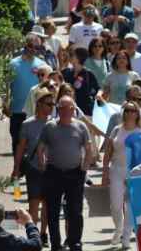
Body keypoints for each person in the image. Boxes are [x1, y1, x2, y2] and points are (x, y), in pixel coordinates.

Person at [37, 96, 95, 251]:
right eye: (61, 108)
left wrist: (84, 167)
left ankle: (75, 242)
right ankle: (56, 243)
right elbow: (41, 148)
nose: (64, 111)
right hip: (54, 172)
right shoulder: (50, 127)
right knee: (53, 210)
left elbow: (89, 148)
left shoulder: (81, 127)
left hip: (75, 173)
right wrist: (42, 163)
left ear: (73, 110)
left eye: (67, 108)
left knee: (75, 210)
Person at [11, 90, 54, 248]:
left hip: (51, 169)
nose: (51, 107)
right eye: (48, 104)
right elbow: (21, 148)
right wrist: (16, 168)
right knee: (34, 204)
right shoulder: (27, 124)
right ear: (39, 104)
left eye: (52, 104)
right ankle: (33, 235)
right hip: (33, 169)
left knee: (48, 204)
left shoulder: (54, 123)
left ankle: (43, 234)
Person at [102, 101, 141, 249]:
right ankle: (118, 228)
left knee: (130, 206)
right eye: (127, 110)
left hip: (134, 172)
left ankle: (126, 238)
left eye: (133, 111)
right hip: (116, 170)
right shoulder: (116, 130)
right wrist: (104, 171)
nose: (130, 113)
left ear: (137, 113)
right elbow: (108, 152)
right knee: (116, 205)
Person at [8, 35, 50, 150]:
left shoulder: (43, 65)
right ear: (25, 45)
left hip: (35, 112)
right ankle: (18, 167)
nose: (33, 50)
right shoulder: (12, 64)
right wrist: (4, 103)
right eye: (31, 46)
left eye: (37, 47)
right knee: (17, 144)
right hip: (17, 111)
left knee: (34, 147)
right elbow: (6, 86)